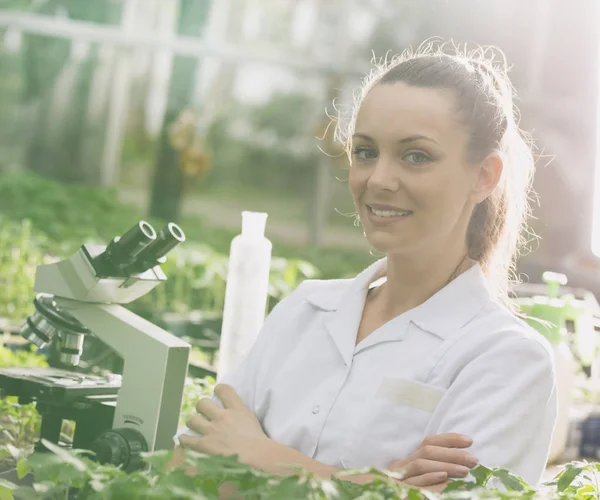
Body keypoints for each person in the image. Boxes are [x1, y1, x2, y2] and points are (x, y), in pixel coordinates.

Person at [173, 42, 557, 492]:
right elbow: (188, 464)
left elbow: (228, 464)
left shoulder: (505, 358)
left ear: (484, 176)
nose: (378, 180)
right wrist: (378, 486)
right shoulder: (306, 309)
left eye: (416, 156)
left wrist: (261, 455)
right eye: (366, 151)